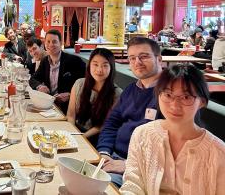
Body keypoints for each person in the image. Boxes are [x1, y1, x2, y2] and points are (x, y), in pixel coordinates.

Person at [121, 64, 225, 195]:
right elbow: (132, 184)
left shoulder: (219, 154)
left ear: (202, 102)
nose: (175, 105)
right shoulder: (142, 134)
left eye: (186, 97)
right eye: (168, 95)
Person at [96, 37, 163, 187]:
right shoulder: (131, 89)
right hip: (112, 159)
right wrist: (104, 152)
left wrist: (128, 164)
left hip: (140, 171)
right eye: (132, 58)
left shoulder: (170, 94)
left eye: (144, 56)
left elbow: (170, 147)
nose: (137, 62)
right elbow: (111, 124)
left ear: (159, 59)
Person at [67, 48, 122, 145]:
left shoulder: (117, 93)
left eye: (105, 65)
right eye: (95, 64)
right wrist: (71, 134)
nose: (99, 70)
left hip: (98, 139)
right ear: (89, 65)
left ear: (111, 68)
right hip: (75, 131)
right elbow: (71, 114)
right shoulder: (79, 84)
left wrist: (82, 138)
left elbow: (103, 125)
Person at [29, 29, 86, 113]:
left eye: (54, 41)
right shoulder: (45, 61)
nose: (51, 44)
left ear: (60, 43)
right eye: (48, 41)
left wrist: (70, 95)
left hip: (69, 108)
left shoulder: (74, 61)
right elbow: (33, 79)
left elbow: (86, 84)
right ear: (44, 44)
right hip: (50, 106)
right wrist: (40, 86)